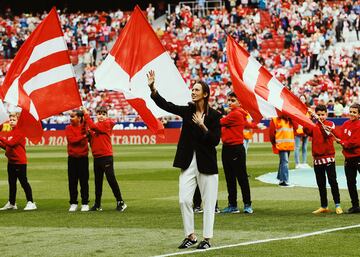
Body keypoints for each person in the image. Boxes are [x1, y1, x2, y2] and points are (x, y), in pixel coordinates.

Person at [147, 70, 221, 250]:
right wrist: (153, 88)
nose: (193, 92)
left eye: (196, 90)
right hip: (187, 161)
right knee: (184, 200)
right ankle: (191, 236)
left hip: (207, 163)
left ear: (205, 94)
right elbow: (167, 105)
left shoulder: (214, 116)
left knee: (209, 203)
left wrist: (202, 125)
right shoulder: (187, 110)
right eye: (192, 89)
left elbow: (215, 140)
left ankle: (207, 238)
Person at [82, 106, 127, 212]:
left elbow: (93, 127)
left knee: (111, 179)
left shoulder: (107, 123)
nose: (101, 116)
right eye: (99, 113)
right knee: (98, 182)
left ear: (106, 116)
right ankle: (97, 204)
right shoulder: (95, 126)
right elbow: (91, 139)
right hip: (97, 157)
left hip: (106, 156)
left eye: (103, 114)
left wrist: (86, 114)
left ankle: (120, 202)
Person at [220, 92, 257, 214]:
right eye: (229, 100)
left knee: (239, 178)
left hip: (235, 149)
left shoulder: (235, 114)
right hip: (228, 148)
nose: (230, 102)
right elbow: (247, 124)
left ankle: (243, 204)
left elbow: (219, 122)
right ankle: (237, 204)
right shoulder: (237, 114)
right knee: (232, 178)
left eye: (233, 100)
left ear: (239, 102)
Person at [305, 105, 343, 214]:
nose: (321, 117)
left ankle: (337, 205)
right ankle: (324, 205)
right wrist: (309, 119)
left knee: (333, 182)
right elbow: (306, 130)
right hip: (317, 159)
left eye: (323, 115)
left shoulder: (330, 124)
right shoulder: (314, 125)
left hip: (329, 158)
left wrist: (319, 122)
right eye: (319, 115)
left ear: (326, 114)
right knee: (321, 183)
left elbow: (327, 134)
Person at [0, 113, 37, 211]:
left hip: (19, 162)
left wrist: (0, 138)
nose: (11, 121)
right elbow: (7, 147)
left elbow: (11, 144)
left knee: (23, 182)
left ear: (18, 121)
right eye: (10, 119)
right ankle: (12, 203)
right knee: (11, 183)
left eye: (14, 120)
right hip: (11, 162)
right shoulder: (10, 132)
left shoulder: (20, 132)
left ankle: (31, 202)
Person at [331, 103, 360, 214]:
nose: (351, 114)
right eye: (351, 111)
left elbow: (355, 142)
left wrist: (342, 142)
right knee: (350, 182)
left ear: (359, 114)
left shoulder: (359, 125)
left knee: (352, 182)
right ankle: (355, 206)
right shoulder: (346, 123)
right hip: (348, 159)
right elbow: (340, 136)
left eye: (354, 112)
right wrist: (332, 130)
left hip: (358, 157)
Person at [65, 110, 90, 212]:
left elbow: (88, 124)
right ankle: (73, 202)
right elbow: (72, 141)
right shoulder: (68, 128)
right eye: (70, 117)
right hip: (72, 158)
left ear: (79, 118)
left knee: (84, 182)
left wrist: (85, 113)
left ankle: (85, 203)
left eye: (73, 116)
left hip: (83, 158)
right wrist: (84, 136)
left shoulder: (84, 127)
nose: (71, 118)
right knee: (72, 182)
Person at [269, 115, 295, 187]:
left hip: (288, 144)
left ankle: (280, 178)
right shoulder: (275, 120)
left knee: (283, 162)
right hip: (282, 145)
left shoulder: (290, 120)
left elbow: (296, 129)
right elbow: (271, 133)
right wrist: (274, 143)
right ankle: (284, 181)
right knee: (285, 162)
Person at [294, 95, 310, 169]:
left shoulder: (308, 110)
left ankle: (304, 163)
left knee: (305, 147)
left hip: (306, 131)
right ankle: (297, 163)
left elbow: (309, 121)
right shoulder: (296, 109)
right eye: (301, 99)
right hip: (299, 131)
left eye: (303, 99)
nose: (302, 100)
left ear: (305, 100)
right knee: (297, 147)